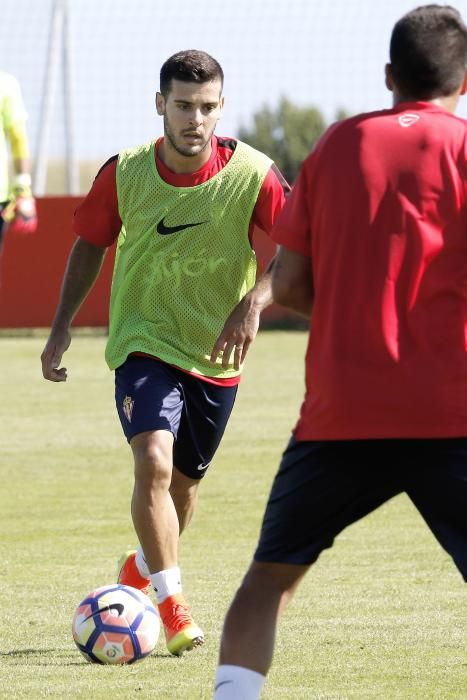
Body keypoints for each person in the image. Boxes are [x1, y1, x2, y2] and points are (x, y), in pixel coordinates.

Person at [214, 5, 467, 697]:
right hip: (450, 412)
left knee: (269, 578)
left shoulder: (334, 146)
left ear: (387, 74)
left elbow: (289, 284)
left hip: (341, 412)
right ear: (463, 81)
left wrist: (359, 321)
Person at [40, 50, 289, 657]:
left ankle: (141, 570)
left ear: (220, 108)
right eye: (182, 105)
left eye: (206, 108)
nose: (194, 119)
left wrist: (253, 301)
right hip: (143, 340)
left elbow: (303, 246)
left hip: (216, 355)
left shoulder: (254, 174)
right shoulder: (124, 171)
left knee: (181, 492)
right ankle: (173, 608)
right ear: (160, 105)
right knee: (152, 459)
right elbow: (88, 246)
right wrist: (60, 326)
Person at [0, 70, 37, 265]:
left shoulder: (6, 84)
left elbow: (18, 139)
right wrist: (23, 189)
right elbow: (17, 138)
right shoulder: (5, 84)